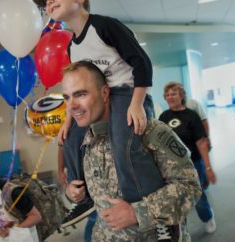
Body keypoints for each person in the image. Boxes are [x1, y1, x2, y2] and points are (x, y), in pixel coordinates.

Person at [34, 0, 161, 229]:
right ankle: (84, 195)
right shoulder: (73, 47)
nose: (50, 2)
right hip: (96, 97)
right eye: (46, 1)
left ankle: (142, 207)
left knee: (124, 147)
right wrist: (67, 122)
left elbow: (142, 63)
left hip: (126, 92)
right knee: (70, 139)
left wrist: (137, 103)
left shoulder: (105, 26)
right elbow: (77, 90)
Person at [61, 60, 202, 241]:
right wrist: (73, 193)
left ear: (104, 93)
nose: (71, 106)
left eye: (80, 94)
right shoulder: (87, 140)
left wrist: (138, 212)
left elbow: (190, 187)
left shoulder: (148, 131)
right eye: (67, 97)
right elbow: (96, 195)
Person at [159, 81, 217, 234]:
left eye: (174, 94)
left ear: (182, 95)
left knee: (197, 197)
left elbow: (201, 142)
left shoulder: (192, 116)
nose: (170, 97)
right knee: (175, 198)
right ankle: (179, 230)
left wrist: (208, 167)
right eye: (167, 95)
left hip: (193, 164)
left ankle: (208, 217)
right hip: (171, 166)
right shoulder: (163, 117)